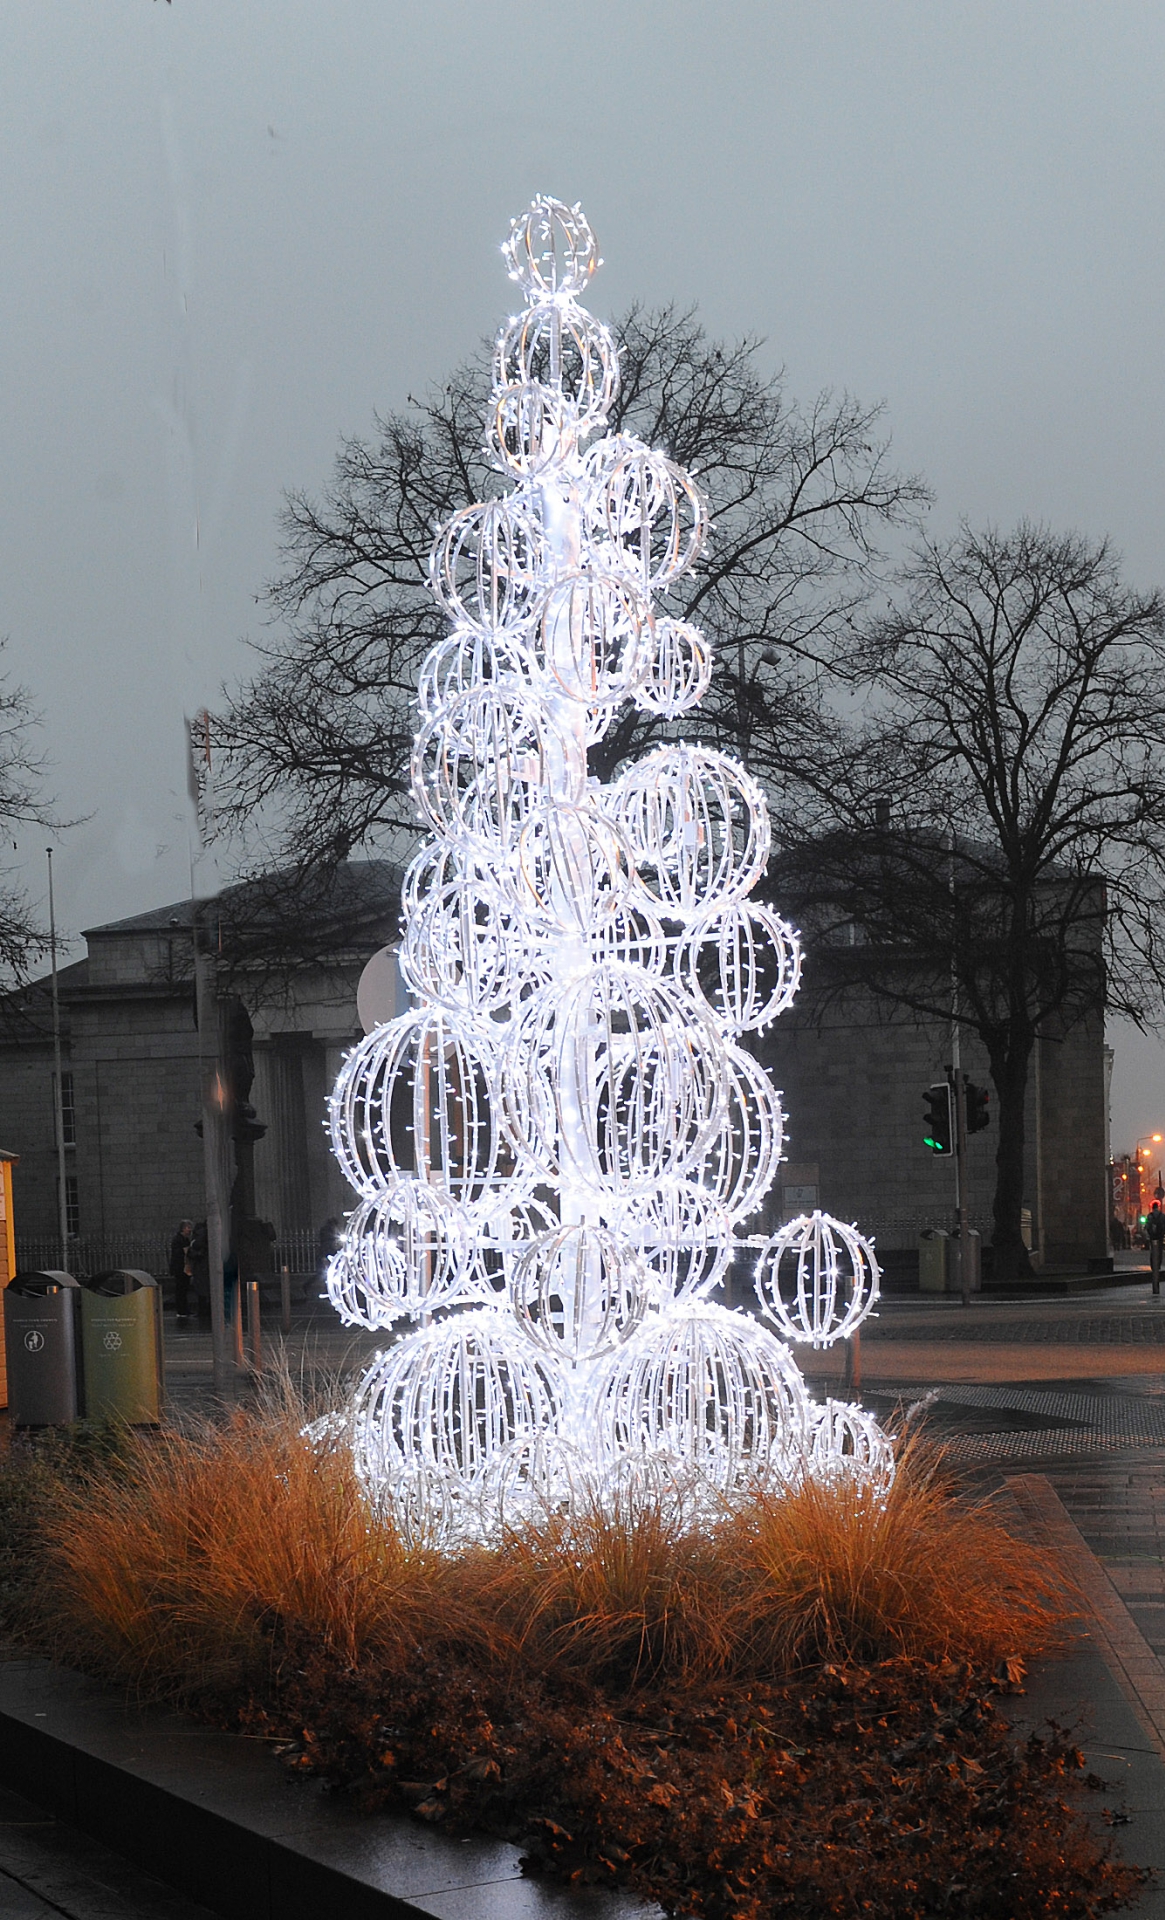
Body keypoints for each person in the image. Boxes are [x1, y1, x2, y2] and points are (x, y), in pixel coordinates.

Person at [168, 1218, 194, 1320]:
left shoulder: (185, 1239)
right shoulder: (178, 1239)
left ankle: (185, 1309)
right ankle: (181, 1310)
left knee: (184, 1289)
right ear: (183, 1228)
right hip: (180, 1268)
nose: (190, 1230)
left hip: (184, 1267)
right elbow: (179, 1254)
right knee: (180, 1289)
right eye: (188, 1227)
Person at [1147, 1202, 1165, 1296]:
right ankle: (1158, 1265)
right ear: (1157, 1207)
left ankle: (1154, 1266)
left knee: (1153, 1253)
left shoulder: (1150, 1216)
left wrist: (1150, 1234)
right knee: (1159, 1253)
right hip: (1160, 1238)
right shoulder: (1162, 1216)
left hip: (1152, 1238)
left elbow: (1148, 1227)